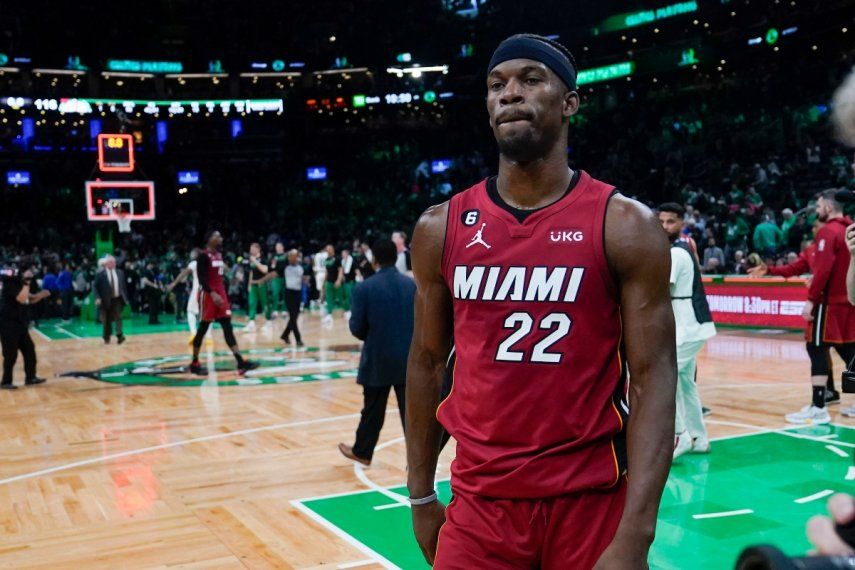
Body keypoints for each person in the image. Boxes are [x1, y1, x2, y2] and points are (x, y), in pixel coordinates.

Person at [405, 34, 676, 569]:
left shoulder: (626, 226)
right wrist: (419, 495)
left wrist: (637, 533)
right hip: (480, 506)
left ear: (569, 102)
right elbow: (427, 362)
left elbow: (653, 377)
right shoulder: (440, 228)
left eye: (531, 79)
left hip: (591, 504)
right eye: (496, 84)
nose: (510, 94)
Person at [776, 189, 855, 424]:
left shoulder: (828, 232)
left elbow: (822, 270)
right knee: (850, 351)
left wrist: (811, 299)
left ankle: (819, 405)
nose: (816, 210)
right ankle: (827, 397)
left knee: (816, 348)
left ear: (829, 208)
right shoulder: (848, 230)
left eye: (819, 206)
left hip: (828, 304)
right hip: (849, 301)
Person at [750, 220, 844, 406]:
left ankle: (820, 402)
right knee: (820, 347)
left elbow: (832, 272)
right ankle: (829, 391)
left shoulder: (840, 243)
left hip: (838, 304)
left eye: (819, 226)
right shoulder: (812, 250)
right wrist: (769, 270)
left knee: (844, 349)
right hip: (825, 306)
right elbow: (793, 268)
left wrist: (816, 285)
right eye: (816, 227)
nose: (817, 230)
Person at [339, 239, 415, 465]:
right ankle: (419, 460)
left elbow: (357, 328)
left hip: (378, 358)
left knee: (372, 410)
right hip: (408, 359)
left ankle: (362, 452)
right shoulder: (411, 285)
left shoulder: (364, 287)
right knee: (412, 415)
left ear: (374, 260)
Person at [658, 203, 716, 459]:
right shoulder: (680, 250)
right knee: (685, 385)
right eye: (661, 221)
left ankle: (680, 436)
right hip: (691, 327)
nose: (664, 226)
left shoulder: (676, 253)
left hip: (686, 327)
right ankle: (699, 437)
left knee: (662, 379)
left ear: (682, 223)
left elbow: (660, 289)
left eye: (670, 222)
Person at [189, 231, 258, 376]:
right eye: (217, 236)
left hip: (220, 296)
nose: (220, 238)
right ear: (209, 239)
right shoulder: (203, 256)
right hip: (208, 296)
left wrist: (231, 280)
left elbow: (221, 274)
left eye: (221, 235)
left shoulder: (219, 255)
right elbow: (202, 280)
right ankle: (194, 362)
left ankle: (240, 362)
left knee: (228, 328)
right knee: (202, 328)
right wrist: (213, 294)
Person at [0, 263, 50, 389]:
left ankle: (30, 377)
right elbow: (22, 299)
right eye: (26, 273)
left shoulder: (19, 285)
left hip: (20, 324)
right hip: (8, 324)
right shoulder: (9, 285)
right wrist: (27, 282)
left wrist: (41, 295)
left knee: (29, 350)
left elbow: (30, 299)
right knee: (10, 354)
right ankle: (6, 382)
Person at [166, 249, 212, 346]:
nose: (191, 254)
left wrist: (173, 283)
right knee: (207, 314)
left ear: (196, 254)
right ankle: (208, 337)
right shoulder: (208, 263)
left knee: (190, 311)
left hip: (197, 290)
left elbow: (183, 274)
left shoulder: (194, 263)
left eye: (192, 252)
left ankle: (193, 334)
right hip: (208, 290)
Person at [94, 255, 129, 344]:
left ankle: (119, 335)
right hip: (104, 300)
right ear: (106, 264)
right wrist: (97, 298)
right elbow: (95, 287)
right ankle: (106, 337)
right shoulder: (100, 274)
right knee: (106, 320)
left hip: (117, 299)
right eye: (111, 262)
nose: (113, 264)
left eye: (114, 262)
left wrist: (125, 297)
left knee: (118, 318)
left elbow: (123, 286)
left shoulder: (120, 272)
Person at [244, 242, 272, 333]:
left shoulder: (263, 259)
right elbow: (252, 272)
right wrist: (249, 284)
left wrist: (255, 261)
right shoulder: (252, 259)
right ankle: (251, 323)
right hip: (253, 285)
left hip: (262, 285)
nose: (251, 251)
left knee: (265, 304)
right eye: (250, 249)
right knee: (252, 303)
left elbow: (265, 270)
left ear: (258, 249)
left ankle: (268, 322)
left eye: (252, 249)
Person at [279, 249, 305, 347]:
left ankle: (285, 335)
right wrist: (287, 255)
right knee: (293, 317)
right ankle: (298, 339)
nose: (293, 258)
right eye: (291, 256)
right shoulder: (285, 267)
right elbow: (279, 264)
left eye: (295, 256)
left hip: (297, 293)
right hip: (289, 293)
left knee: (295, 316)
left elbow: (303, 278)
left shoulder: (300, 268)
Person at [323, 244, 341, 325]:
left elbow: (341, 270)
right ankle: (329, 314)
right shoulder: (326, 259)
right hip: (329, 281)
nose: (328, 250)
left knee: (341, 297)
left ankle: (347, 311)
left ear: (332, 249)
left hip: (336, 281)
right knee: (329, 298)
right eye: (327, 249)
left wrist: (339, 280)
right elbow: (326, 271)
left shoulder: (337, 258)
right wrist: (324, 281)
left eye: (329, 249)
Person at [269, 242, 287, 318]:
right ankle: (275, 310)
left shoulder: (286, 255)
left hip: (286, 277)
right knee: (275, 294)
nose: (278, 247)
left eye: (279, 246)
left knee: (285, 294)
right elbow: (271, 267)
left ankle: (284, 311)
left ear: (283, 247)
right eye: (277, 246)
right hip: (276, 278)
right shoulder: (273, 256)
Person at [141, 260, 163, 325]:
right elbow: (145, 280)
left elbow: (157, 279)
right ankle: (152, 320)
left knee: (156, 305)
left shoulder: (152, 271)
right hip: (150, 290)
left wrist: (159, 285)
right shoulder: (145, 271)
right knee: (152, 305)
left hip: (155, 290)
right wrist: (153, 285)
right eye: (151, 265)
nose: (152, 266)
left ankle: (155, 319)